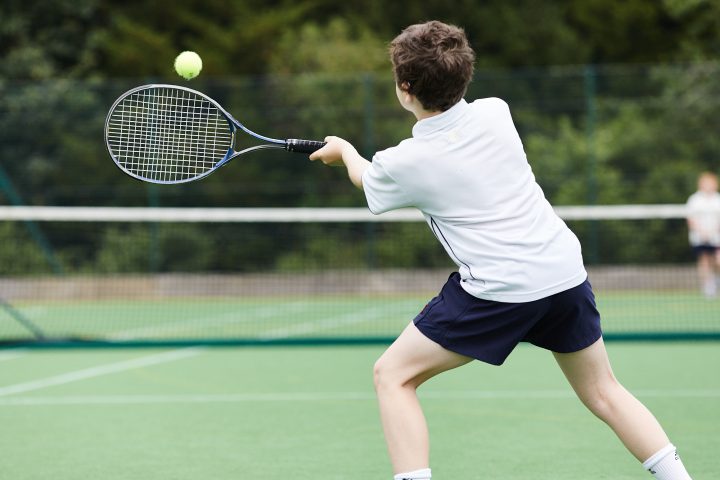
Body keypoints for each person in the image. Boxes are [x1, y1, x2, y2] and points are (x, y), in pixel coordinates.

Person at [309, 20, 692, 480]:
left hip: (499, 289)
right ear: (464, 75)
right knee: (604, 391)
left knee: (393, 375)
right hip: (562, 270)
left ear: (404, 88)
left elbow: (365, 177)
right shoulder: (496, 111)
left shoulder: (403, 163)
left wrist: (345, 151)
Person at [686, 171, 720, 298]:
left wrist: (713, 232)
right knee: (704, 260)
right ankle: (708, 286)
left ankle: (716, 280)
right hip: (699, 237)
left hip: (716, 237)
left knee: (717, 260)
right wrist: (702, 232)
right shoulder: (695, 199)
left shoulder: (718, 199)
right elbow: (691, 218)